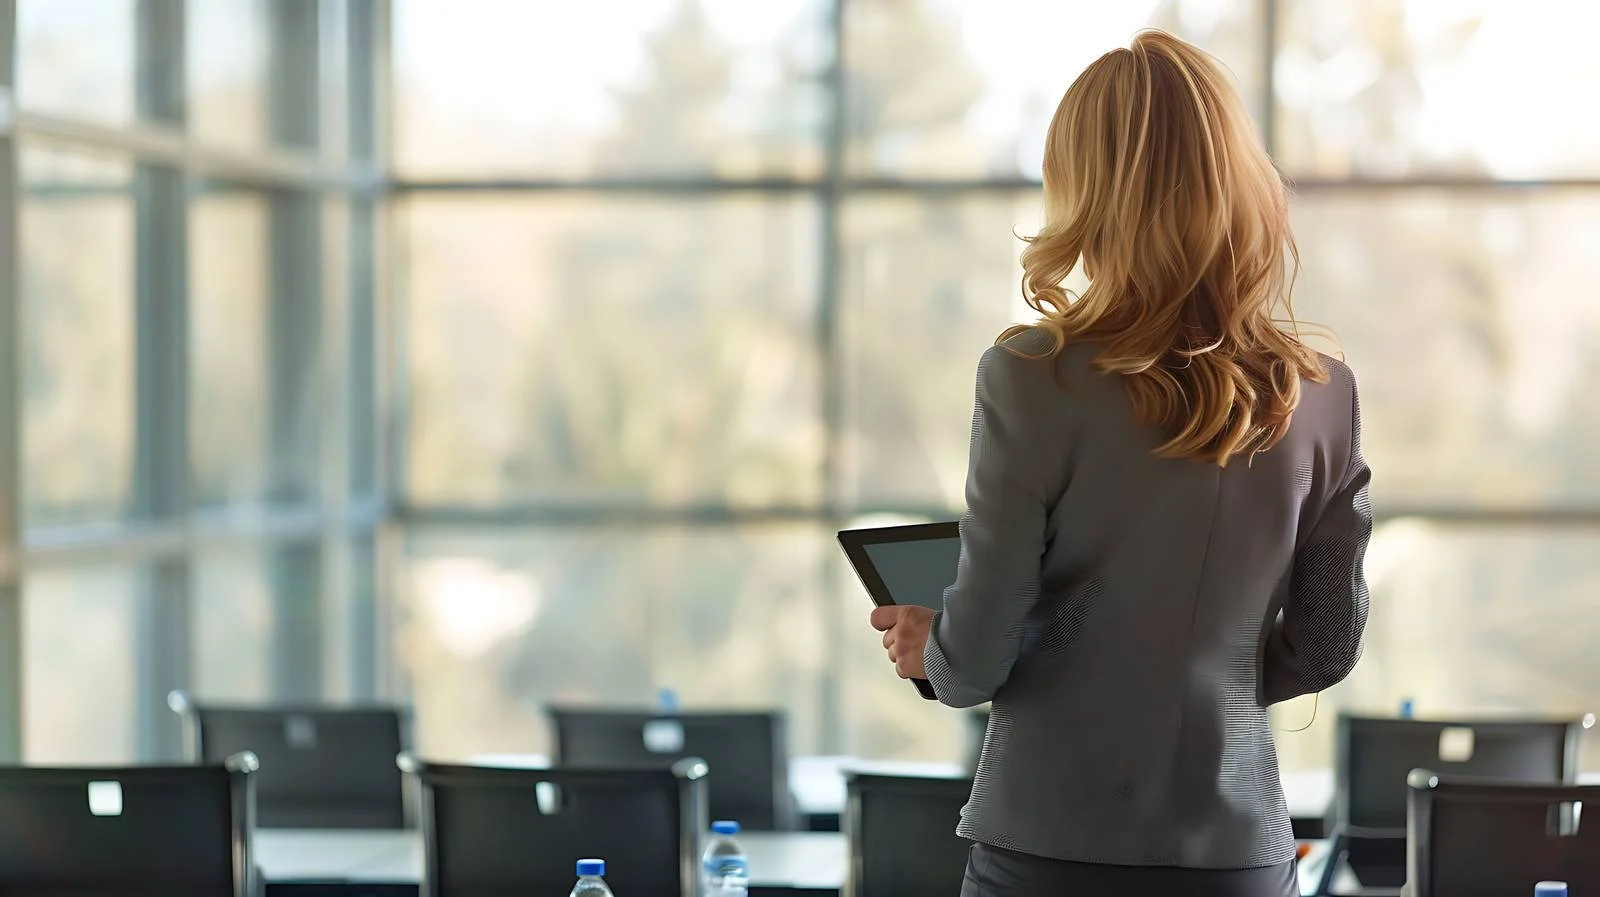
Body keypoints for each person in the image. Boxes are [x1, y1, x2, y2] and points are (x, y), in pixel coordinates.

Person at [870, 29, 1372, 897]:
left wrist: (933, 648)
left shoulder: (1032, 375)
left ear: (1088, 190)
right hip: (1238, 854)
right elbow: (1327, 645)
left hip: (1049, 845)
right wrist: (1209, 676)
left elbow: (977, 659)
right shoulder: (1321, 392)